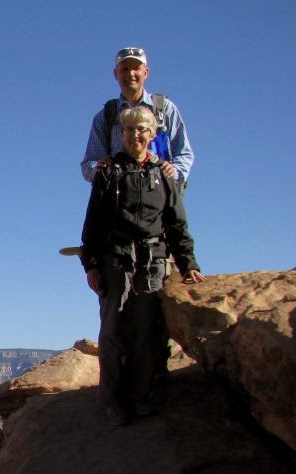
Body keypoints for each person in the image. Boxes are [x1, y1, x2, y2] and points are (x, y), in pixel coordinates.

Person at [81, 105, 205, 426]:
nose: (135, 135)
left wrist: (188, 263)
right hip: (116, 259)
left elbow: (177, 224)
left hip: (153, 260)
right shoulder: (109, 173)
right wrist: (91, 264)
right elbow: (93, 224)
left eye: (142, 130)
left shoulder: (163, 175)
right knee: (112, 331)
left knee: (146, 332)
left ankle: (140, 398)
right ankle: (113, 403)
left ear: (152, 134)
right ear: (121, 135)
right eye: (129, 130)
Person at [81, 47, 194, 187]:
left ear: (146, 72)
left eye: (136, 68)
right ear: (116, 74)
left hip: (159, 193)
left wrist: (174, 172)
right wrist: (97, 169)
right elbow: (88, 164)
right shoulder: (106, 116)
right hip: (119, 194)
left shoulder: (164, 109)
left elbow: (184, 153)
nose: (131, 74)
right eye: (125, 69)